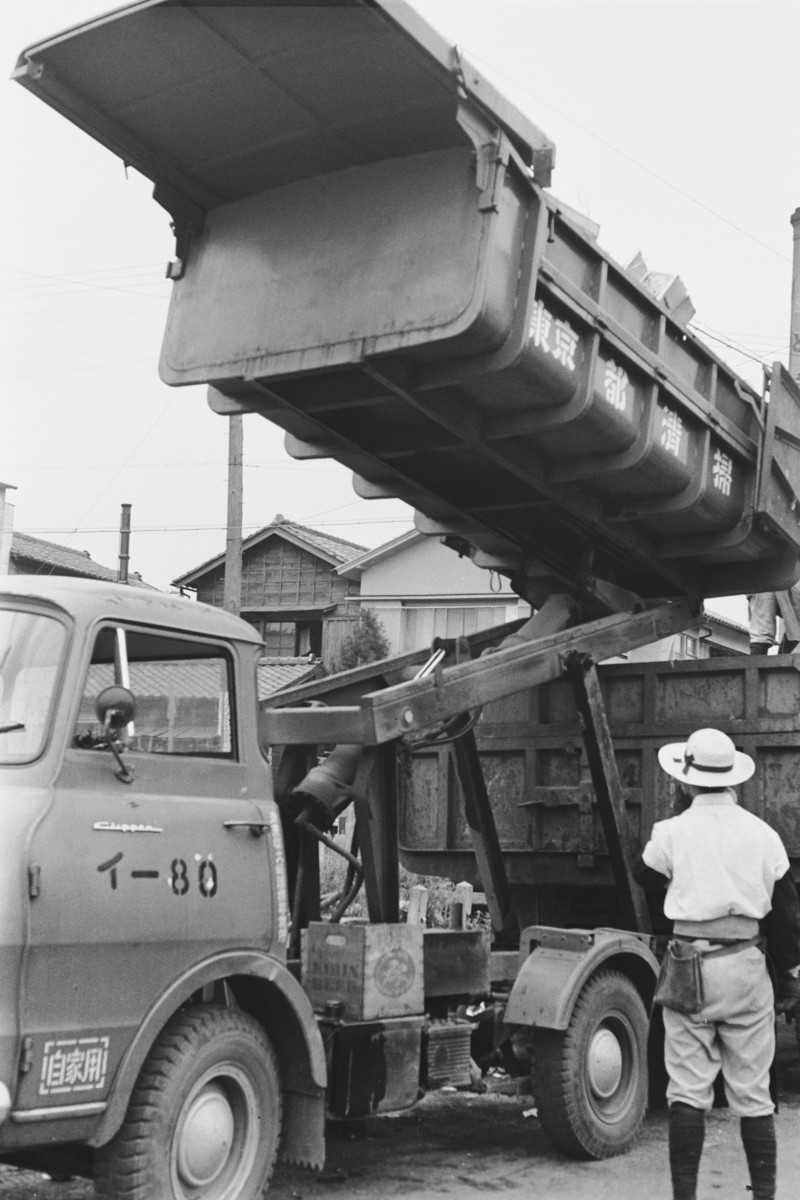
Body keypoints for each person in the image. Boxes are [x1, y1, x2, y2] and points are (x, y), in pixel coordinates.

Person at [634, 727, 800, 1200]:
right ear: (733, 780)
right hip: (746, 966)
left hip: (690, 968)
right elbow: (787, 912)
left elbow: (644, 874)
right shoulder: (763, 834)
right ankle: (764, 1195)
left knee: (687, 1090)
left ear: (685, 782)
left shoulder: (671, 831)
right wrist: (789, 976)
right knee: (753, 1093)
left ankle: (685, 1196)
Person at [747, 583, 800, 654]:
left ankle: (783, 660)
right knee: (762, 632)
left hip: (788, 581)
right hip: (765, 581)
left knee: (794, 630)